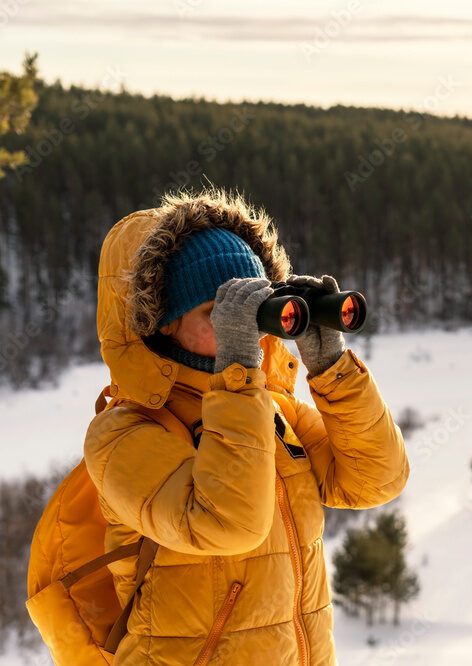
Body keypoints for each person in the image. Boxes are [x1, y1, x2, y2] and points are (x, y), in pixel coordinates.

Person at [83, 190, 409, 665]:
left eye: (251, 314)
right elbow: (228, 524)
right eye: (217, 314)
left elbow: (376, 480)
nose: (247, 333)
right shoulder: (124, 434)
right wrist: (236, 373)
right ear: (163, 324)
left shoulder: (271, 412)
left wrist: (332, 367)